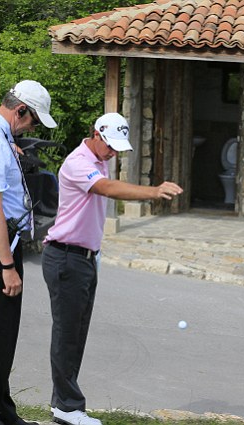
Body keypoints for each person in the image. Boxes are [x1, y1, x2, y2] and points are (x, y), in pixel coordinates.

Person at [43, 112, 184, 425]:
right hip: (66, 256)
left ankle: (62, 404)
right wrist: (152, 191)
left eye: (117, 148)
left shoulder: (100, 157)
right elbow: (107, 188)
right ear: (95, 134)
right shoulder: (79, 162)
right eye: (109, 146)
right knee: (67, 334)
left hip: (84, 257)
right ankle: (67, 407)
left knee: (76, 333)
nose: (113, 153)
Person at [0, 80, 56, 425]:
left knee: (3, 332)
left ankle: (1, 409)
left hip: (1, 242)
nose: (31, 127)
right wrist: (6, 266)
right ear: (20, 110)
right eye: (32, 120)